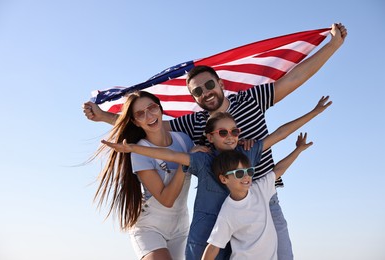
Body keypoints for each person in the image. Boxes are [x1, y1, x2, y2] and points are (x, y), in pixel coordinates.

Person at [84, 23, 346, 259]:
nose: (205, 93)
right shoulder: (195, 123)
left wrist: (332, 45)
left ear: (220, 83)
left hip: (265, 200)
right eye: (197, 92)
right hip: (223, 208)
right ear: (194, 98)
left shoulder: (251, 99)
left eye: (209, 85)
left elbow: (294, 79)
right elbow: (151, 123)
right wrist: (106, 117)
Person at [102, 96, 332, 259]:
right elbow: (169, 155)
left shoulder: (246, 154)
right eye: (223, 132)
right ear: (210, 137)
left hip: (231, 233)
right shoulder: (203, 161)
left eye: (235, 131)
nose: (230, 136)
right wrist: (133, 148)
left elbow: (279, 135)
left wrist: (313, 113)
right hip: (202, 234)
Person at [93, 90, 195, 260]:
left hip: (181, 228)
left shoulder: (184, 140)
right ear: (135, 122)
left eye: (152, 108)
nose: (149, 116)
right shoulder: (139, 152)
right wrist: (185, 162)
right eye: (140, 114)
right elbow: (166, 199)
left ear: (160, 108)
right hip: (150, 228)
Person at [202, 134, 311, 260]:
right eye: (239, 173)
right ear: (224, 179)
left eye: (249, 171)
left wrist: (298, 149)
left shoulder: (259, 189)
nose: (246, 177)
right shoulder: (228, 211)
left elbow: (279, 170)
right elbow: (214, 246)